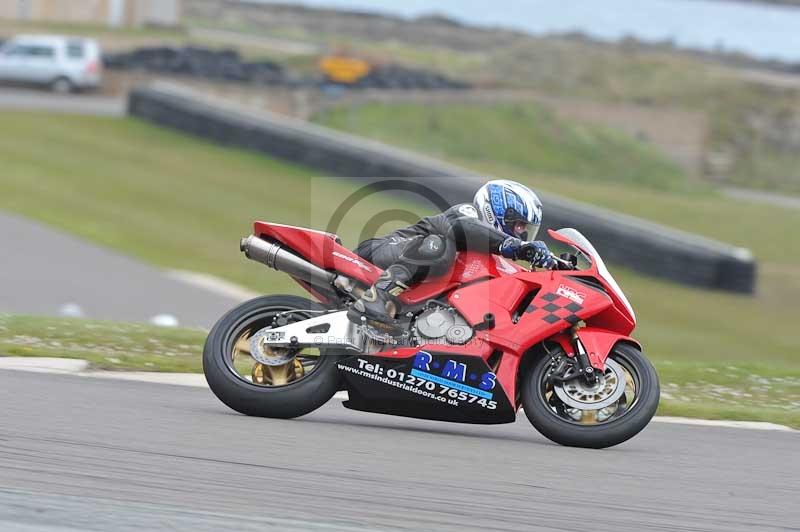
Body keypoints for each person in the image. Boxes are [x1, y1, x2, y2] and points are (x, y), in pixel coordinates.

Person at [348, 179, 557, 325]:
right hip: (377, 252)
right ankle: (376, 297)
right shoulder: (467, 213)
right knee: (440, 247)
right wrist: (516, 247)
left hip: (409, 290)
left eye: (525, 229)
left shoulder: (489, 258)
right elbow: (462, 228)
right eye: (518, 225)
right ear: (498, 211)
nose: (521, 234)